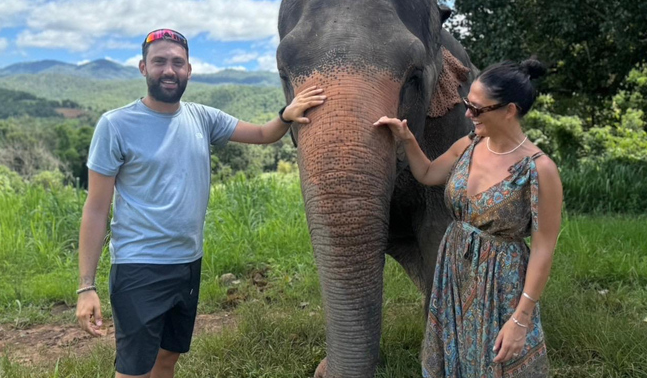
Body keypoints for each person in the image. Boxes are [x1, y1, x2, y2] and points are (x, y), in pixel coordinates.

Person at [75, 28, 325, 378]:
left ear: (189, 70)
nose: (168, 70)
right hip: (138, 267)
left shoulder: (202, 117)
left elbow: (262, 134)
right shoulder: (115, 125)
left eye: (177, 63)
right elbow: (96, 210)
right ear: (142, 68)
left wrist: (287, 114)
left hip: (187, 263)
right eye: (159, 61)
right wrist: (86, 287)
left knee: (167, 358)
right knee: (134, 370)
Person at [374, 58, 562, 377]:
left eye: (477, 108)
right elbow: (428, 173)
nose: (467, 114)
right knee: (455, 351)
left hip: (502, 280)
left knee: (498, 361)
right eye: (467, 104)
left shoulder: (540, 170)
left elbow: (544, 248)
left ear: (510, 110)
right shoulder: (468, 146)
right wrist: (406, 140)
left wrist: (521, 318)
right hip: (455, 267)